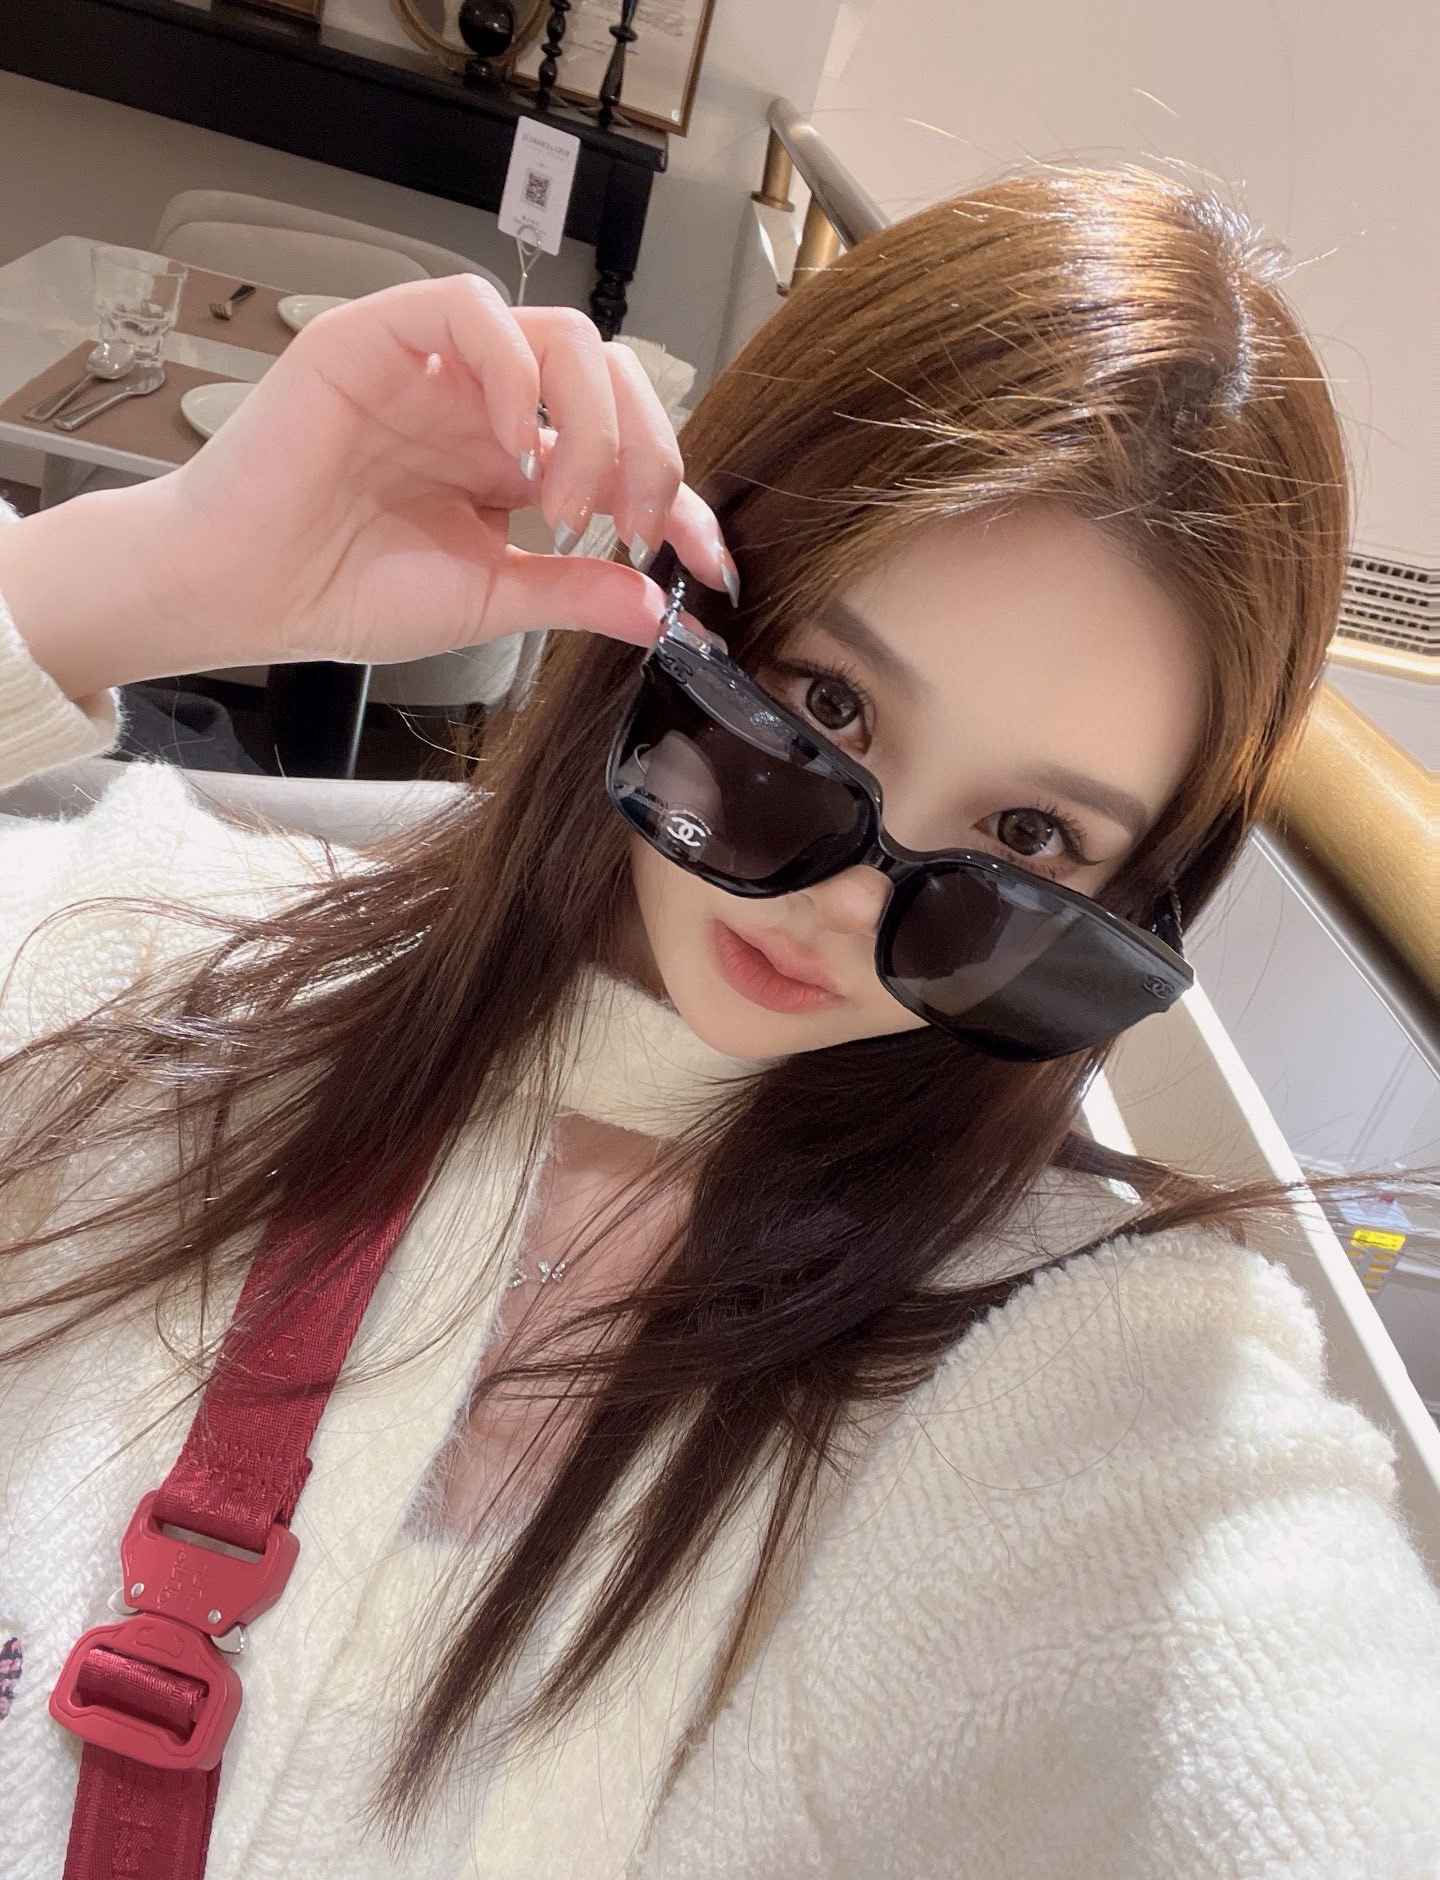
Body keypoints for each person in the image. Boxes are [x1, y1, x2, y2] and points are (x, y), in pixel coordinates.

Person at [0, 167, 1436, 1880]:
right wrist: (143, 576)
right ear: (692, 592)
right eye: (827, 705)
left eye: (1027, 838)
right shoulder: (150, 957)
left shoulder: (1090, 1366)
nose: (848, 901)